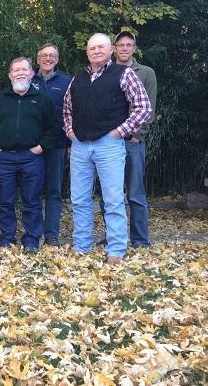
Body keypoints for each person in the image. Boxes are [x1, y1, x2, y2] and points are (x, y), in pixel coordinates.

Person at [63, 33, 152, 264]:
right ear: (87, 52)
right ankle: (82, 246)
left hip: (109, 145)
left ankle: (116, 250)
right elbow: (66, 109)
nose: (96, 51)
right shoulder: (78, 78)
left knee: (112, 200)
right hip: (80, 146)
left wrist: (119, 132)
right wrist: (70, 132)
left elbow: (143, 107)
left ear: (110, 50)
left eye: (101, 47)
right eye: (92, 48)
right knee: (79, 200)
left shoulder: (124, 74)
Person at [0, 57, 59, 253]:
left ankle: (31, 241)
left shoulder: (42, 99)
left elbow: (53, 128)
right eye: (16, 70)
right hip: (4, 157)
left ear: (32, 74)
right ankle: (7, 239)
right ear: (10, 75)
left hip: (32, 157)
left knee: (31, 201)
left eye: (24, 69)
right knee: (5, 201)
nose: (20, 73)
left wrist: (40, 148)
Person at [101, 31, 157, 248]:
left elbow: (148, 107)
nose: (124, 48)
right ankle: (114, 238)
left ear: (134, 48)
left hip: (132, 141)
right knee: (110, 193)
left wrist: (137, 134)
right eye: (121, 45)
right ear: (114, 48)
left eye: (129, 44)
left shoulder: (146, 73)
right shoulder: (105, 72)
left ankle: (140, 240)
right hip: (108, 141)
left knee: (135, 192)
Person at [31, 43, 72, 246]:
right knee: (33, 190)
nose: (48, 58)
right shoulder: (28, 79)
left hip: (56, 145)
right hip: (31, 145)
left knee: (54, 191)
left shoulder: (66, 82)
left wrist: (70, 142)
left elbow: (72, 113)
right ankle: (34, 233)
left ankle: (51, 234)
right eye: (44, 55)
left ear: (57, 59)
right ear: (37, 59)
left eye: (52, 55)